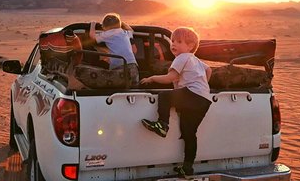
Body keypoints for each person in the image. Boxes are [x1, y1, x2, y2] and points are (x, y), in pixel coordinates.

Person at [140, 27, 212, 179]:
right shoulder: (195, 60)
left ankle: (162, 125)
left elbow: (170, 78)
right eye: (172, 41)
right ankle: (187, 167)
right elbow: (209, 71)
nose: (173, 44)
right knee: (189, 133)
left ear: (190, 46)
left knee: (164, 96)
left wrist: (152, 78)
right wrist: (203, 86)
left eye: (179, 42)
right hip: (204, 100)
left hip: (192, 94)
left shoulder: (182, 57)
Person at [89, 13, 139, 86]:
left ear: (104, 26)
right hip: (133, 67)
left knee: (114, 87)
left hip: (119, 69)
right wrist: (122, 23)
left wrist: (92, 24)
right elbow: (131, 29)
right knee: (133, 88)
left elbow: (92, 37)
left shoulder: (108, 33)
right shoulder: (125, 32)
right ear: (119, 24)